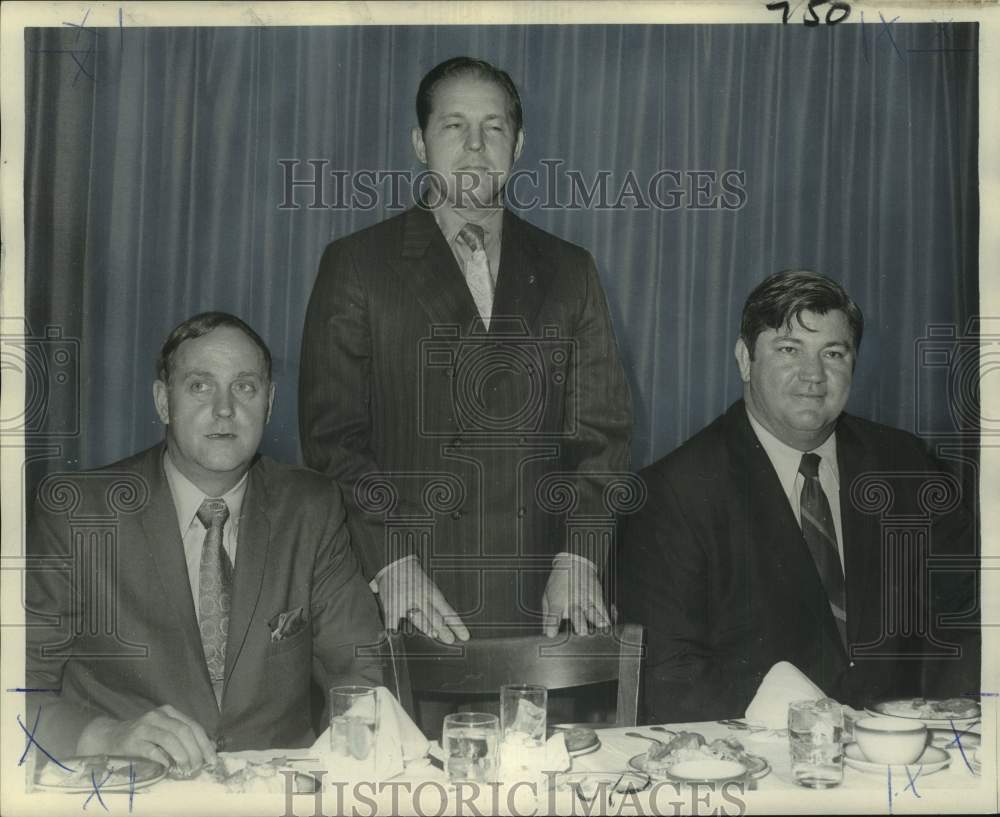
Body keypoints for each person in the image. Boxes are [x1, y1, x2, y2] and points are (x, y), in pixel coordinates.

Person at [299, 57, 632, 644]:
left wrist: (579, 559)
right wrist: (391, 561)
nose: (476, 146)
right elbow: (333, 441)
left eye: (494, 127)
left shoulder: (570, 270)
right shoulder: (358, 264)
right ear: (420, 143)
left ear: (519, 143)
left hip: (547, 596)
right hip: (410, 595)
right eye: (454, 126)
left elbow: (601, 436)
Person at [25, 312, 384, 772]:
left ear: (270, 403)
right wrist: (107, 736)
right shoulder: (78, 513)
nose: (224, 409)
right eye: (199, 385)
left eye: (245, 387)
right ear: (162, 401)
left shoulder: (311, 507)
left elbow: (359, 675)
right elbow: (15, 689)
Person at [621, 271, 979, 724]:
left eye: (833, 353)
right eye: (789, 350)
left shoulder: (905, 462)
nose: (814, 375)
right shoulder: (675, 491)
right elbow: (671, 676)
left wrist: (937, 718)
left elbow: (970, 610)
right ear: (745, 359)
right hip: (765, 763)